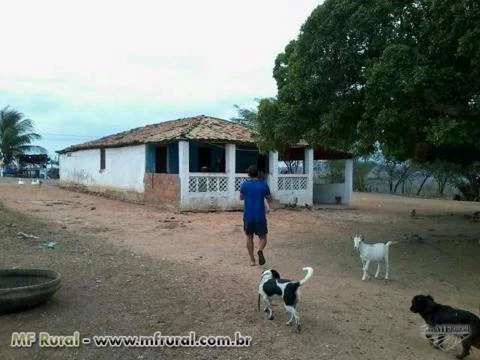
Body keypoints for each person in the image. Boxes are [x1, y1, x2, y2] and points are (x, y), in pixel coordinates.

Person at [240, 165, 272, 266]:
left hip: (248, 216)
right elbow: (270, 199)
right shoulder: (263, 185)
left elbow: (241, 198)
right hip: (260, 216)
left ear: (248, 174)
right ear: (257, 174)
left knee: (249, 237)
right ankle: (260, 250)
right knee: (263, 238)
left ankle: (252, 260)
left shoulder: (244, 185)